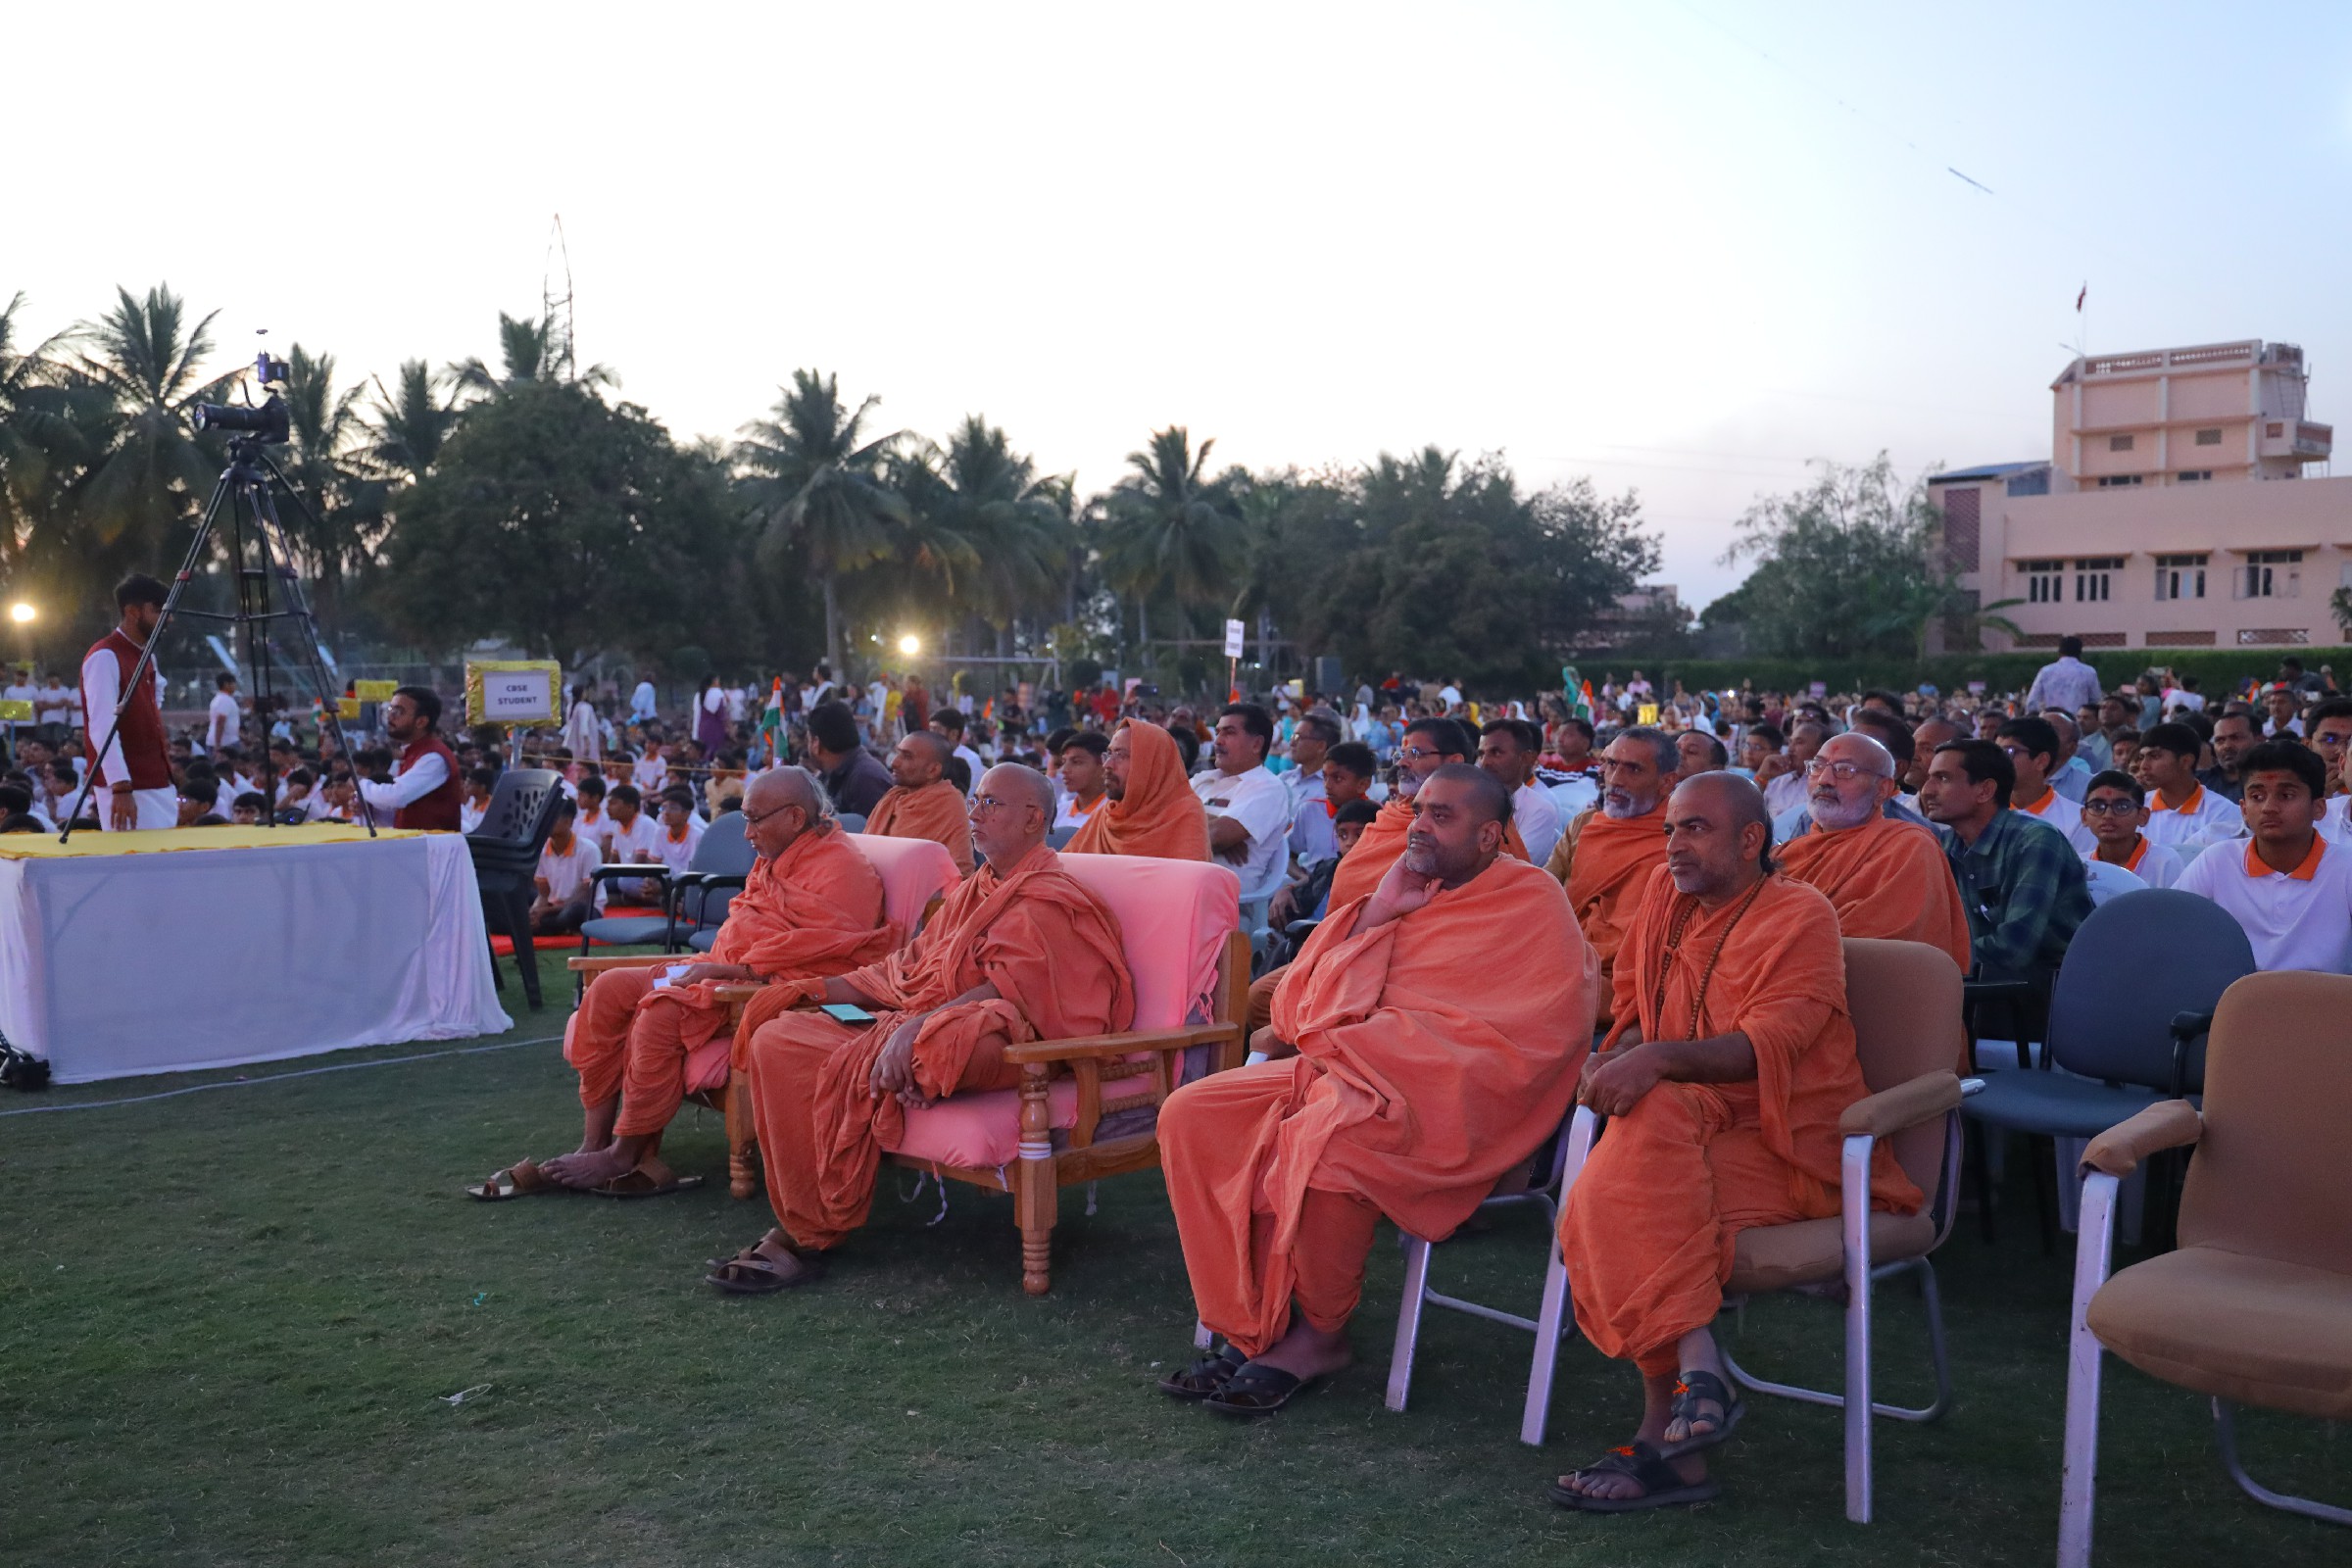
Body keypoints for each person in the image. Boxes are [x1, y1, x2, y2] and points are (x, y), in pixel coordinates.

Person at [1156, 765, 1595, 1417]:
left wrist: (1382, 1052)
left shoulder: (1532, 903)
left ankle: (1322, 1336)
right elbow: (1301, 1012)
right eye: (1419, 808)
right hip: (1345, 1071)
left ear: (1488, 836)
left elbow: (1530, 1044)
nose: (1418, 824)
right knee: (1194, 1112)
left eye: (1441, 815)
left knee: (1327, 1148)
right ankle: (1255, 1318)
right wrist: (1382, 913)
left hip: (1443, 1101)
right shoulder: (1407, 886)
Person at [1550, 772, 1923, 1512]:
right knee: (1636, 1162)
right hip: (1681, 1127)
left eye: (1694, 829)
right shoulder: (1666, 895)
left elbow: (1773, 1040)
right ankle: (1696, 1377)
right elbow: (1634, 1005)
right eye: (1670, 829)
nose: (1673, 845)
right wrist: (1620, 1053)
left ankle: (1667, 1431)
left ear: (1752, 840)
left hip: (1791, 1141)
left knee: (1612, 1198)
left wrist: (1653, 1060)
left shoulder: (1800, 914)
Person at [707, 765, 1134, 1292]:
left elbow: (1024, 996)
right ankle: (809, 1223)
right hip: (920, 1022)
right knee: (780, 1035)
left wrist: (914, 1029)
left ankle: (807, 1231)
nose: (974, 813)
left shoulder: (1052, 896)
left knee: (939, 1046)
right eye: (975, 800)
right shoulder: (975, 890)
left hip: (1004, 1042)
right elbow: (906, 969)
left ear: (1034, 819)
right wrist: (815, 989)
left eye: (992, 804)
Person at [505, 768, 899, 1198]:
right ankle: (594, 1144)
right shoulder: (778, 857)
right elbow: (745, 930)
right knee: (609, 988)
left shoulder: (845, 868)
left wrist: (734, 972)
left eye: (754, 819)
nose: (746, 833)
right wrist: (719, 966)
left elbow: (837, 955)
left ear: (794, 817)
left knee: (663, 1011)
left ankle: (626, 1153)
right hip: (719, 968)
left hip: (768, 988)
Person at [1774, 733, 1971, 973]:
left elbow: (1878, 949)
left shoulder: (1909, 847)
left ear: (1882, 789)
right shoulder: (1787, 853)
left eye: (1845, 770)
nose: (1824, 780)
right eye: (1817, 766)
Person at [1918, 738, 2091, 983]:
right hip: (1979, 986)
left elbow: (2014, 949)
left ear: (1985, 790)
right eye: (1929, 778)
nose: (1927, 790)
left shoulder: (2036, 841)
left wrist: (1926, 960)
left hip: (2049, 993)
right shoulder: (1945, 844)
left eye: (1943, 778)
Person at [2174, 741, 2352, 973]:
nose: (2269, 807)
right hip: (2233, 1003)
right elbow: (2173, 932)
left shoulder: (2345, 867)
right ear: (2244, 809)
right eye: (2257, 796)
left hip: (2327, 1003)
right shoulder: (2217, 861)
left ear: (2319, 808)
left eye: (2286, 795)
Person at [1548, 726, 1679, 1025]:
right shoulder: (1583, 825)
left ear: (1666, 782)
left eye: (1633, 769)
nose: (1615, 780)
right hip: (1561, 958)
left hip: (1631, 984)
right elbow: (1544, 890)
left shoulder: (1682, 841)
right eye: (1610, 764)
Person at [80, 573, 175, 832]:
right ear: (133, 612)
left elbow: (155, 704)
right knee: (138, 867)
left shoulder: (147, 656)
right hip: (127, 787)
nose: (168, 619)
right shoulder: (105, 656)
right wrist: (120, 785)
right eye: (159, 611)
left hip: (157, 781)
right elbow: (101, 727)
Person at [1069, 719, 1210, 860]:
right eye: (1109, 754)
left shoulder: (1184, 813)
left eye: (1120, 755)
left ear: (1150, 764)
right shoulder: (1108, 815)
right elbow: (1064, 868)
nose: (1107, 764)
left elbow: (1190, 880)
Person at [1191, 704, 1292, 893]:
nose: (1218, 741)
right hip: (1182, 886)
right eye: (1218, 732)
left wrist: (1180, 816)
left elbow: (1215, 837)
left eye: (1228, 733)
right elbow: (1152, 812)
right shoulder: (1203, 779)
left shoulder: (1268, 787)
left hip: (1224, 903)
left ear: (1256, 744)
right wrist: (1210, 821)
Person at [863, 730, 976, 877]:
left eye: (907, 757)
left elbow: (960, 871)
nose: (894, 762)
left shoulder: (949, 803)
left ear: (933, 770)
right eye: (897, 753)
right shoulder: (893, 796)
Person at [354, 687, 463, 831]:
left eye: (398, 711)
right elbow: (403, 812)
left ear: (421, 721)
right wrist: (370, 807)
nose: (390, 716)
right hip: (417, 844)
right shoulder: (412, 753)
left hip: (434, 848)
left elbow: (397, 797)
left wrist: (360, 785)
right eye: (390, 709)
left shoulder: (434, 758)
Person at [1995, 716, 2093, 854]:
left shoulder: (2077, 821)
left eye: (2008, 752)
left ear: (2041, 761)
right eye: (1995, 752)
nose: (1998, 761)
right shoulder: (1982, 813)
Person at [2136, 722, 2242, 846]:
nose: (2143, 766)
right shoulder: (2136, 807)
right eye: (2141, 757)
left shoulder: (2223, 812)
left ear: (2186, 761)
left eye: (2154, 756)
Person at [2078, 770, 2182, 890]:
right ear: (2084, 816)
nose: (2108, 815)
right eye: (2097, 806)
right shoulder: (2079, 865)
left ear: (2143, 816)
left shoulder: (2165, 862)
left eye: (2122, 806)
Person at [1480, 717, 1562, 866]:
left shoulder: (1540, 810)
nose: (1485, 762)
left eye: (1496, 753)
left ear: (1525, 758)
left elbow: (1517, 869)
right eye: (1481, 754)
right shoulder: (1470, 802)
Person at [529, 796, 604, 934]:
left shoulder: (588, 849)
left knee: (571, 914)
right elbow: (543, 894)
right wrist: (535, 910)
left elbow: (585, 893)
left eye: (551, 819)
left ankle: (553, 927)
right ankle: (552, 927)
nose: (546, 824)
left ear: (568, 821)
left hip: (585, 907)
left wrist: (546, 911)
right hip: (554, 909)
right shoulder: (541, 851)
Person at [807, 699, 892, 818]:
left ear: (816, 743)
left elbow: (868, 833)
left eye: (808, 740)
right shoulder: (829, 773)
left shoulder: (866, 779)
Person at [1282, 713, 1341, 867]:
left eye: (1297, 737)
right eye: (1292, 736)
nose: (1291, 743)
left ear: (1321, 746)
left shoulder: (1335, 791)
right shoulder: (1282, 780)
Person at [2023, 635, 2103, 715]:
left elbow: (2032, 703)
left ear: (2059, 652)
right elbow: (2095, 700)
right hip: (2078, 722)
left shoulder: (2046, 671)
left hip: (2051, 721)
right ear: (2080, 652)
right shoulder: (2089, 672)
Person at [1758, 720, 1824, 817]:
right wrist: (1762, 777)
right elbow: (1748, 812)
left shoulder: (1824, 785)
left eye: (1799, 742)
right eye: (1790, 742)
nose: (1790, 748)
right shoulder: (1779, 782)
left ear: (1820, 749)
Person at [1053, 731, 1110, 837]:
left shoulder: (1115, 814)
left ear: (1103, 765)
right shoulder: (1057, 813)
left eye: (1076, 762)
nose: (1064, 770)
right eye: (1064, 762)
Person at [2199, 710, 2257, 803]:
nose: (2227, 746)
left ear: (2258, 739)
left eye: (2235, 738)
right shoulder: (2199, 783)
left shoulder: (2273, 780)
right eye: (2220, 740)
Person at [928, 708, 985, 800]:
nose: (931, 735)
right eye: (930, 729)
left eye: (936, 730)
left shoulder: (970, 759)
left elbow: (966, 799)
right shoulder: (932, 755)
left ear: (954, 734)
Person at [650, 785, 705, 879]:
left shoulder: (697, 835)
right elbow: (654, 864)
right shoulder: (660, 833)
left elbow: (694, 871)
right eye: (663, 808)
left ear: (686, 814)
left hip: (687, 882)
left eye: (673, 808)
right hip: (665, 880)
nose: (666, 812)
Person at [564, 685, 602, 762]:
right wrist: (587, 745)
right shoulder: (585, 707)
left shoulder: (570, 706)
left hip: (572, 743)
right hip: (584, 743)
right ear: (582, 693)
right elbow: (584, 727)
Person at [206, 673, 242, 756]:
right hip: (226, 743)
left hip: (225, 741)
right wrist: (217, 744)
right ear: (226, 684)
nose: (235, 686)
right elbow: (220, 721)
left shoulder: (220, 698)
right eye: (233, 683)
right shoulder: (225, 700)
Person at [459, 765, 496, 834]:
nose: (465, 786)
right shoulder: (470, 803)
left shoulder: (491, 809)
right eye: (466, 782)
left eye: (470, 783)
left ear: (482, 787)